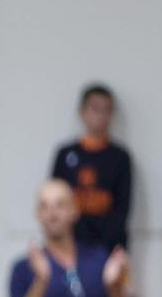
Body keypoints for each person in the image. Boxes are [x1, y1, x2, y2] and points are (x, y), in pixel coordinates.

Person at [49, 83, 132, 252]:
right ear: (82, 112)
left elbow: (122, 209)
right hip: (70, 245)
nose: (100, 115)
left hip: (108, 246)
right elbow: (54, 198)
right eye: (95, 108)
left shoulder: (120, 157)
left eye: (106, 109)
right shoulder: (65, 154)